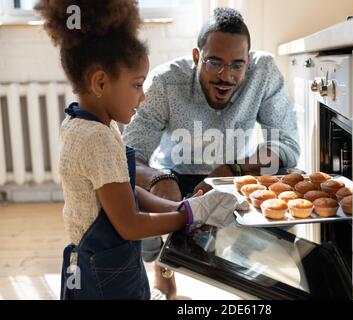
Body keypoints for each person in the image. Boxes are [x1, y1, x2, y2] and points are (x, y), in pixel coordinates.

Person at [34, 0, 238, 300]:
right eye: (137, 85)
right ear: (101, 82)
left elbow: (122, 191)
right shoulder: (98, 139)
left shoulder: (85, 123)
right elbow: (129, 224)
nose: (142, 98)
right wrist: (191, 216)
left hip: (101, 264)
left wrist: (178, 208)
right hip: (106, 277)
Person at [123, 7, 300, 300]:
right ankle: (164, 273)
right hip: (174, 179)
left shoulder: (264, 72)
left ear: (249, 61)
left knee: (288, 178)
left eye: (237, 65)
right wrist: (160, 177)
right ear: (197, 57)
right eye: (214, 62)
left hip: (235, 176)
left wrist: (231, 171)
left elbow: (287, 146)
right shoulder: (165, 82)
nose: (225, 76)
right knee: (124, 193)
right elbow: (129, 154)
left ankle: (255, 277)